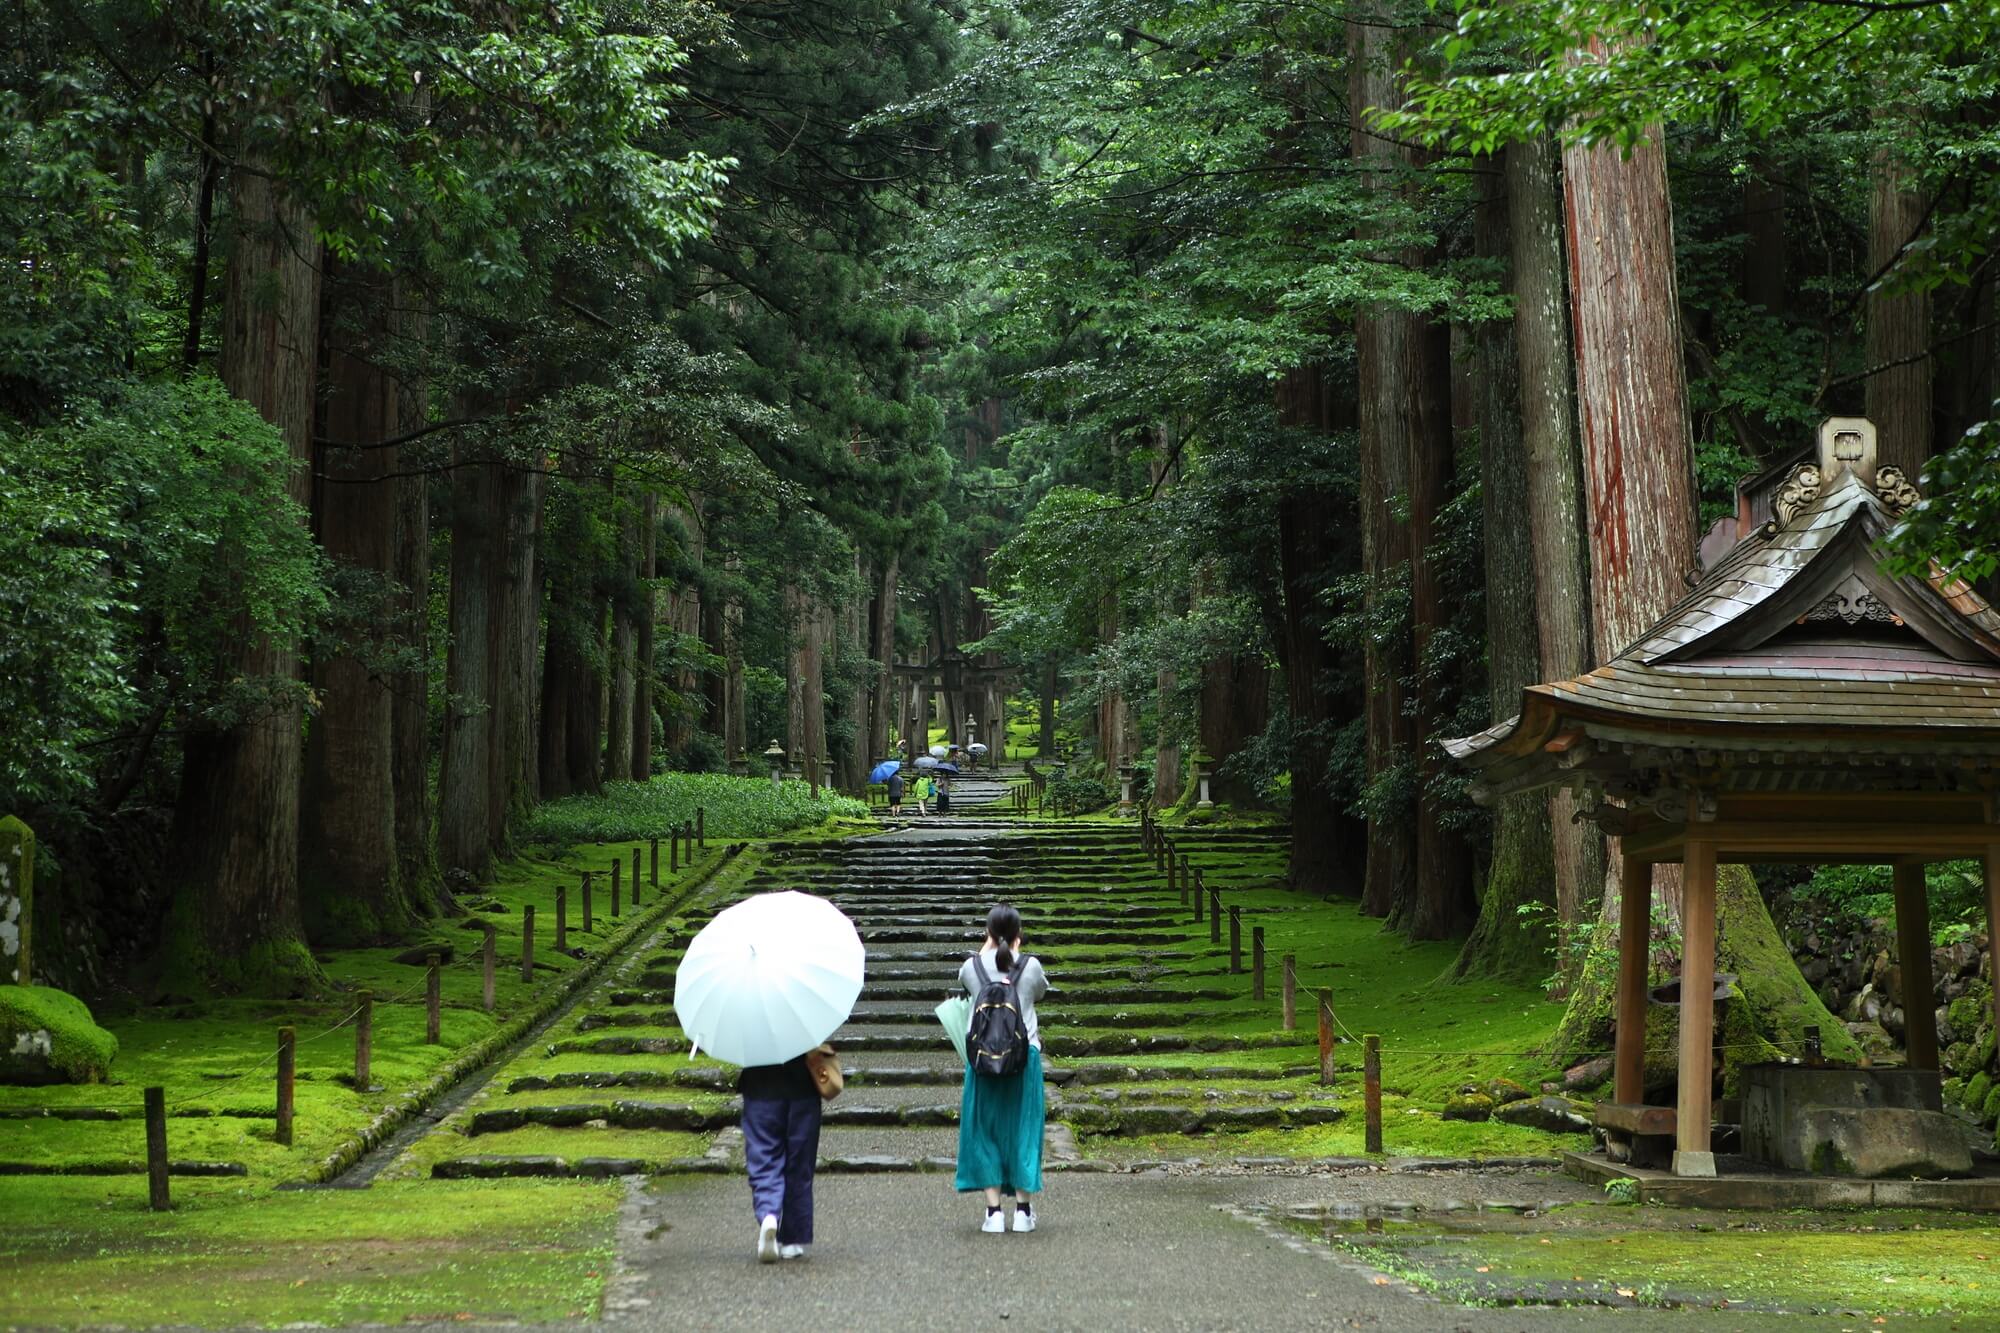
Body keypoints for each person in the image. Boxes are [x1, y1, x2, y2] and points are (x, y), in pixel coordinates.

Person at [955, 904, 1048, 1234]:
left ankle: (994, 1213)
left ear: (988, 933)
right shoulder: (1031, 967)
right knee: (1024, 1129)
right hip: (1024, 1059)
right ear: (1019, 934)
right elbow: (1040, 992)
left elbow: (966, 983)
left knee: (984, 1131)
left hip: (982, 1061)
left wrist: (985, 949)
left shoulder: (971, 967)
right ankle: (1023, 1211)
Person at [738, 1054, 821, 1262]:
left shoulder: (746, 1020)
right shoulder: (803, 1021)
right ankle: (792, 1241)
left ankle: (768, 1215)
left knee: (764, 1157)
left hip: (759, 1088)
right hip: (803, 1088)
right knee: (800, 1163)